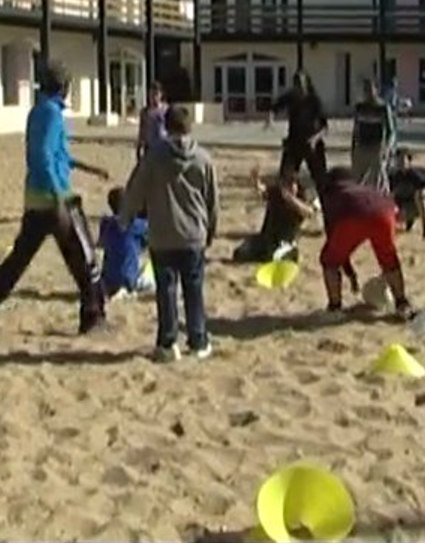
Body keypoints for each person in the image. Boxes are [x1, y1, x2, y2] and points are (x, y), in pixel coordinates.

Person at [0, 61, 111, 336]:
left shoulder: (38, 112)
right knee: (83, 258)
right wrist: (58, 197)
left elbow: (56, 155)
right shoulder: (52, 114)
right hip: (53, 199)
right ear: (63, 87)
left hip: (35, 198)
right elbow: (43, 157)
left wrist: (88, 167)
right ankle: (93, 317)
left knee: (17, 262)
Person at [121, 105, 218, 362]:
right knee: (193, 289)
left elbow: (135, 189)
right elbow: (212, 200)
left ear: (166, 126)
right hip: (193, 234)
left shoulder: (154, 157)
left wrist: (125, 217)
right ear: (190, 127)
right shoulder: (203, 159)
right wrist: (211, 231)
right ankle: (198, 340)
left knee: (166, 290)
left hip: (163, 234)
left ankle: (168, 342)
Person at [319, 167, 414, 320]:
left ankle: (335, 307)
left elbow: (333, 237)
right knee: (388, 259)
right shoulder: (365, 189)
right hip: (385, 213)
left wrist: (349, 273)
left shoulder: (333, 194)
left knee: (329, 261)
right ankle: (402, 303)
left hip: (353, 214)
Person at [232, 169, 316, 264]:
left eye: (292, 184)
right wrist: (255, 181)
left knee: (273, 258)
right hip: (265, 239)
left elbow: (309, 212)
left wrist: (290, 199)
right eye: (286, 184)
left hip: (285, 242)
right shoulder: (276, 193)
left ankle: (291, 254)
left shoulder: (301, 199)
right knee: (239, 254)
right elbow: (262, 190)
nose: (289, 188)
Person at [268, 71, 329, 195]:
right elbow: (274, 107)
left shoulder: (314, 100)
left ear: (306, 84)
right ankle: (287, 204)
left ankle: (324, 204)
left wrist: (315, 139)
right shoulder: (291, 98)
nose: (299, 89)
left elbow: (325, 127)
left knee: (320, 179)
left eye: (301, 85)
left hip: (311, 144)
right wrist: (270, 119)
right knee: (285, 176)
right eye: (297, 86)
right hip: (294, 142)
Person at [98, 186, 151, 298]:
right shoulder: (135, 225)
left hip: (107, 279)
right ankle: (126, 288)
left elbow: (101, 243)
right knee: (150, 267)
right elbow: (150, 239)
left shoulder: (106, 224)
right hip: (128, 279)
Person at [351, 78, 395, 192]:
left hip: (377, 148)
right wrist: (353, 149)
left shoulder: (383, 108)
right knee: (358, 180)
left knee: (377, 181)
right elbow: (355, 129)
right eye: (365, 90)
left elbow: (391, 131)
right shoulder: (360, 108)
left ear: (376, 89)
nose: (368, 92)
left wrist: (387, 149)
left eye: (370, 89)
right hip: (362, 146)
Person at [388, 148, 425, 239]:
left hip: (414, 206)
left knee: (420, 196)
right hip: (400, 207)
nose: (401, 163)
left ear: (409, 162)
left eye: (403, 160)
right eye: (398, 160)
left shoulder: (414, 175)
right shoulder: (394, 176)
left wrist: (421, 194)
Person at [135, 81, 168, 162]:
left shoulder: (166, 110)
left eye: (156, 94)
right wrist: (139, 146)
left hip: (163, 146)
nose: (153, 98)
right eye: (151, 95)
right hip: (149, 147)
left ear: (160, 95)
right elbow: (142, 129)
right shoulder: (145, 112)